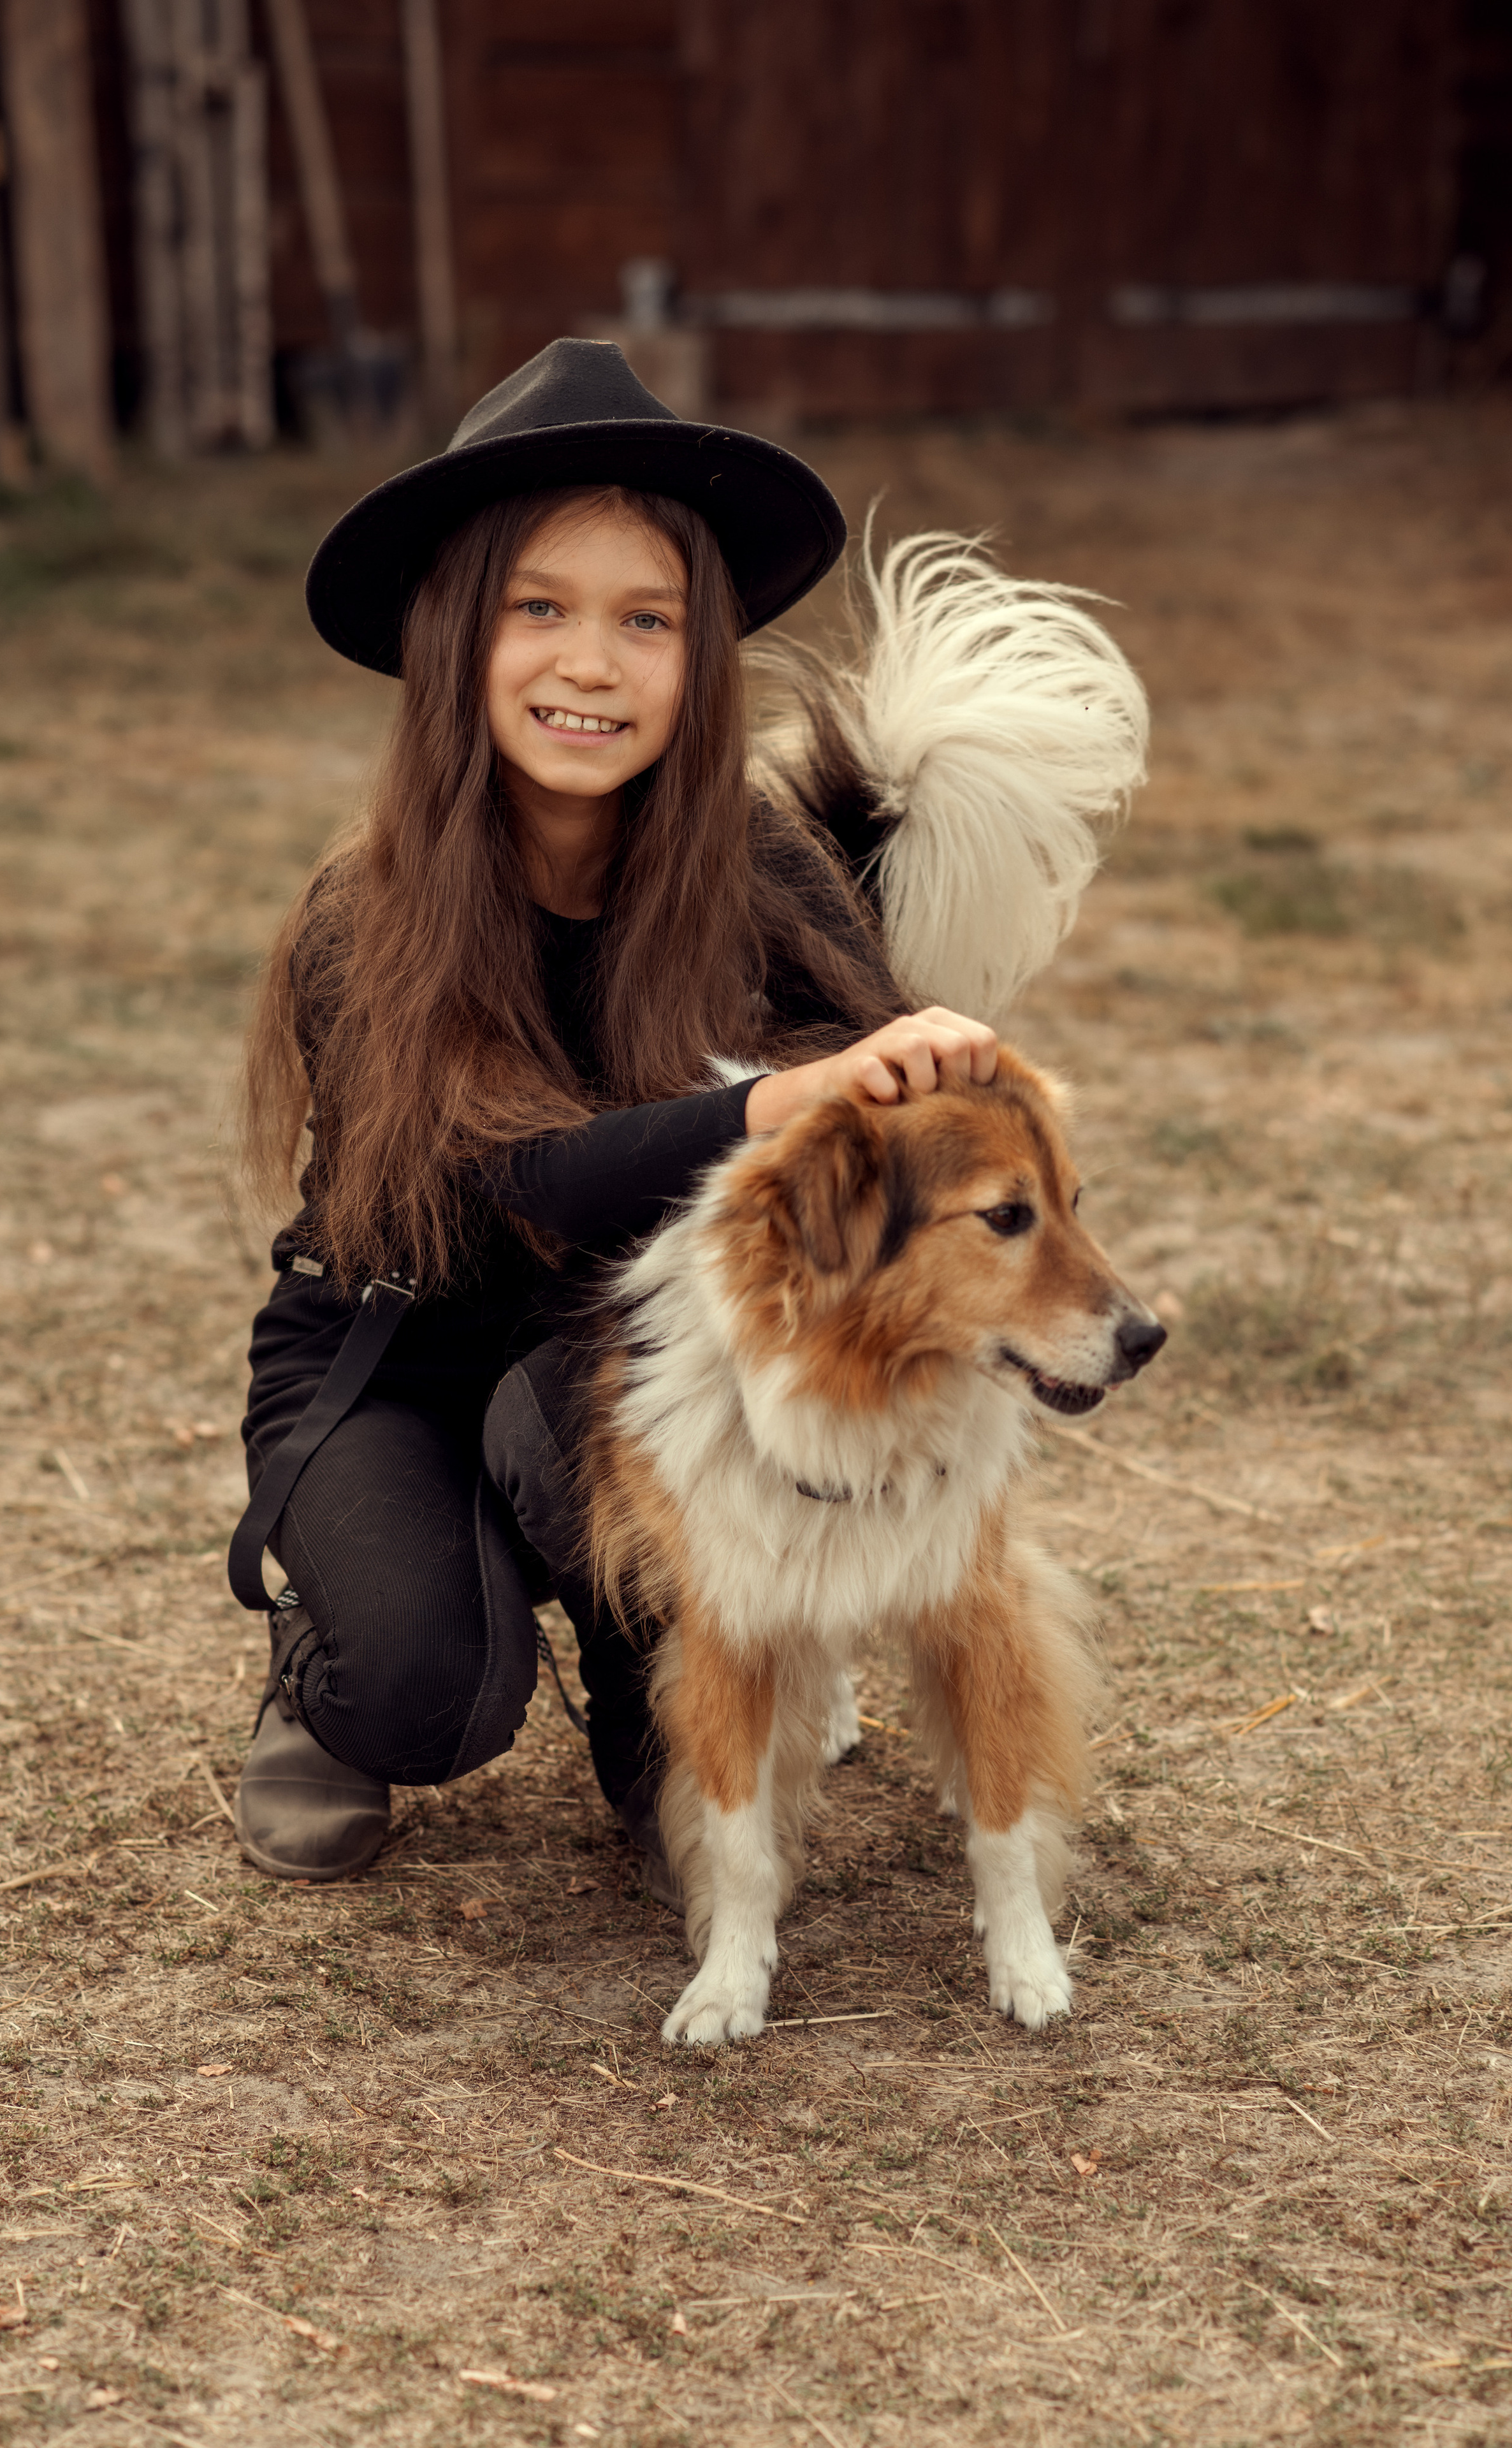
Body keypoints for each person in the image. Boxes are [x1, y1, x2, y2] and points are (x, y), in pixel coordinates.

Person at [229, 337, 1008, 1888]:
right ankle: (327, 1659)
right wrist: (776, 1100)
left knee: (595, 1400)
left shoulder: (756, 869)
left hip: (618, 1364)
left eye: (643, 621)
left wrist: (935, 1080)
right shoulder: (359, 911)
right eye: (540, 609)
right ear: (457, 638)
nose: (590, 663)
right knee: (423, 1691)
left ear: (696, 660)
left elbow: (878, 1148)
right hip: (390, 1351)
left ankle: (648, 1691)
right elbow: (527, 1175)